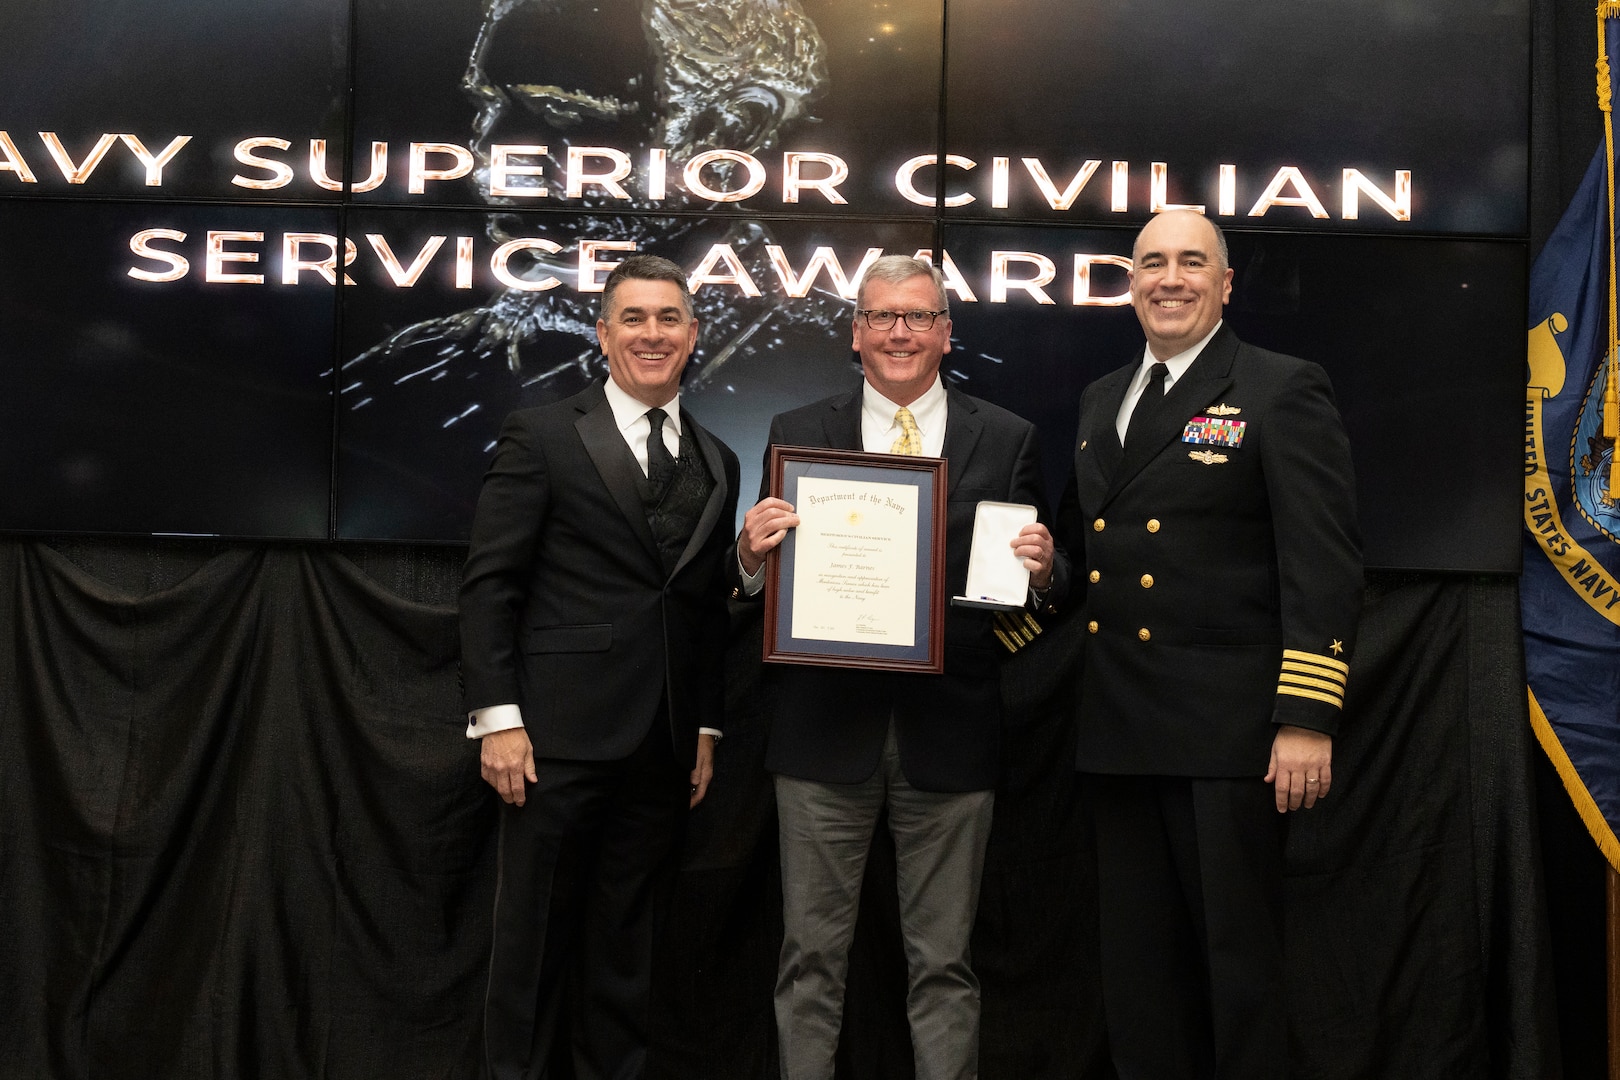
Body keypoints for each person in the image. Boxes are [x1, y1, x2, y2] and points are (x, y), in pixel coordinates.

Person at [734, 255, 1069, 1080]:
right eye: (883, 316)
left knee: (945, 967)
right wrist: (748, 555)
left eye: (918, 317)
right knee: (808, 960)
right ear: (856, 333)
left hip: (951, 735)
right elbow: (756, 586)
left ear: (946, 334)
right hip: (822, 734)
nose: (900, 333)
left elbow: (1039, 591)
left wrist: (1045, 570)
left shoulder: (1010, 437)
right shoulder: (796, 431)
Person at [1059, 210, 1363, 1079]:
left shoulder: (1278, 387)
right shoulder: (1099, 398)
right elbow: (1098, 561)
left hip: (1226, 739)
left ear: (1226, 284)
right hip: (1119, 729)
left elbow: (1324, 562)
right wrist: (1043, 572)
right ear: (1131, 283)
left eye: (1193, 262)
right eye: (1152, 262)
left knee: (1238, 974)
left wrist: (1307, 715)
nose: (1171, 278)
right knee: (1139, 980)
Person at [458, 254, 740, 1080]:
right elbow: (489, 586)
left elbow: (698, 609)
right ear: (602, 332)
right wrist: (497, 720)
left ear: (692, 335)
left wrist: (707, 725)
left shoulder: (718, 459)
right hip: (553, 742)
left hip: (661, 749)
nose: (652, 334)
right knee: (532, 949)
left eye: (669, 319)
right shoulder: (541, 434)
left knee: (628, 955)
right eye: (634, 318)